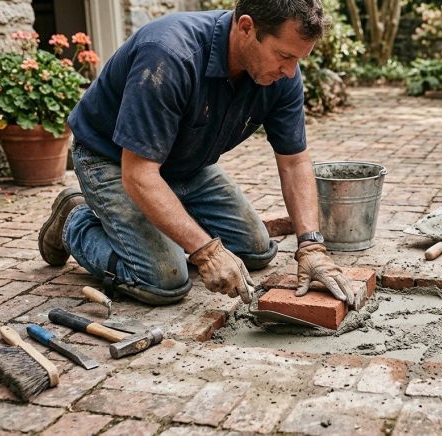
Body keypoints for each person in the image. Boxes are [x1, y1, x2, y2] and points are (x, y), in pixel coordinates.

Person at [37, 0, 354, 307]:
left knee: (257, 251)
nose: (289, 71)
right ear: (246, 27)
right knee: (164, 280)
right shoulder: (168, 55)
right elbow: (139, 175)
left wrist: (311, 246)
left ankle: (160, 224)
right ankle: (74, 221)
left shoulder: (282, 75)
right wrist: (205, 251)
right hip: (113, 161)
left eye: (297, 60)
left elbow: (294, 161)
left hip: (186, 164)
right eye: (283, 56)